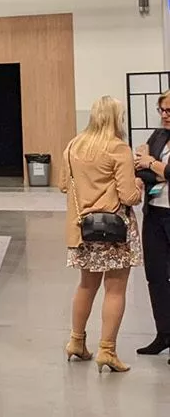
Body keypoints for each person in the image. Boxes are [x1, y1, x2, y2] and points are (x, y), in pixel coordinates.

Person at [62, 96, 143, 374]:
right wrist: (139, 185)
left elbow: (63, 185)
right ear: (116, 118)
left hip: (83, 229)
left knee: (86, 285)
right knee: (115, 288)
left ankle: (76, 342)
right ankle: (107, 350)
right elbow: (128, 196)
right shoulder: (118, 148)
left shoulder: (74, 145)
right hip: (114, 230)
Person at [133, 89, 170, 355]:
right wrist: (158, 171)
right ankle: (164, 334)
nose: (165, 115)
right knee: (155, 276)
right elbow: (139, 169)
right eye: (162, 110)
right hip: (155, 214)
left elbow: (149, 165)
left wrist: (152, 164)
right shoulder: (158, 136)